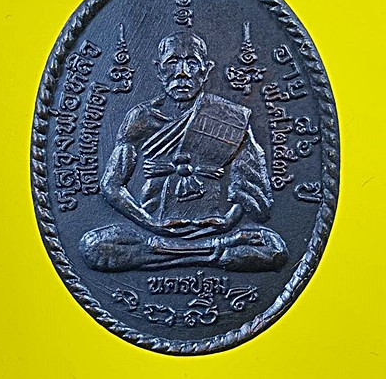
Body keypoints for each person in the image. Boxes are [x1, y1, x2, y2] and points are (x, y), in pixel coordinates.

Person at [80, 31, 288, 272]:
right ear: (159, 70)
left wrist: (227, 221)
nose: (182, 72)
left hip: (213, 228)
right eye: (172, 62)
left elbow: (251, 190)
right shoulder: (141, 118)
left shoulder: (231, 117)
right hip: (153, 229)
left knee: (274, 249)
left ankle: (174, 252)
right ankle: (209, 252)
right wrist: (150, 223)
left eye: (192, 63)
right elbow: (111, 185)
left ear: (206, 71)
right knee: (93, 246)